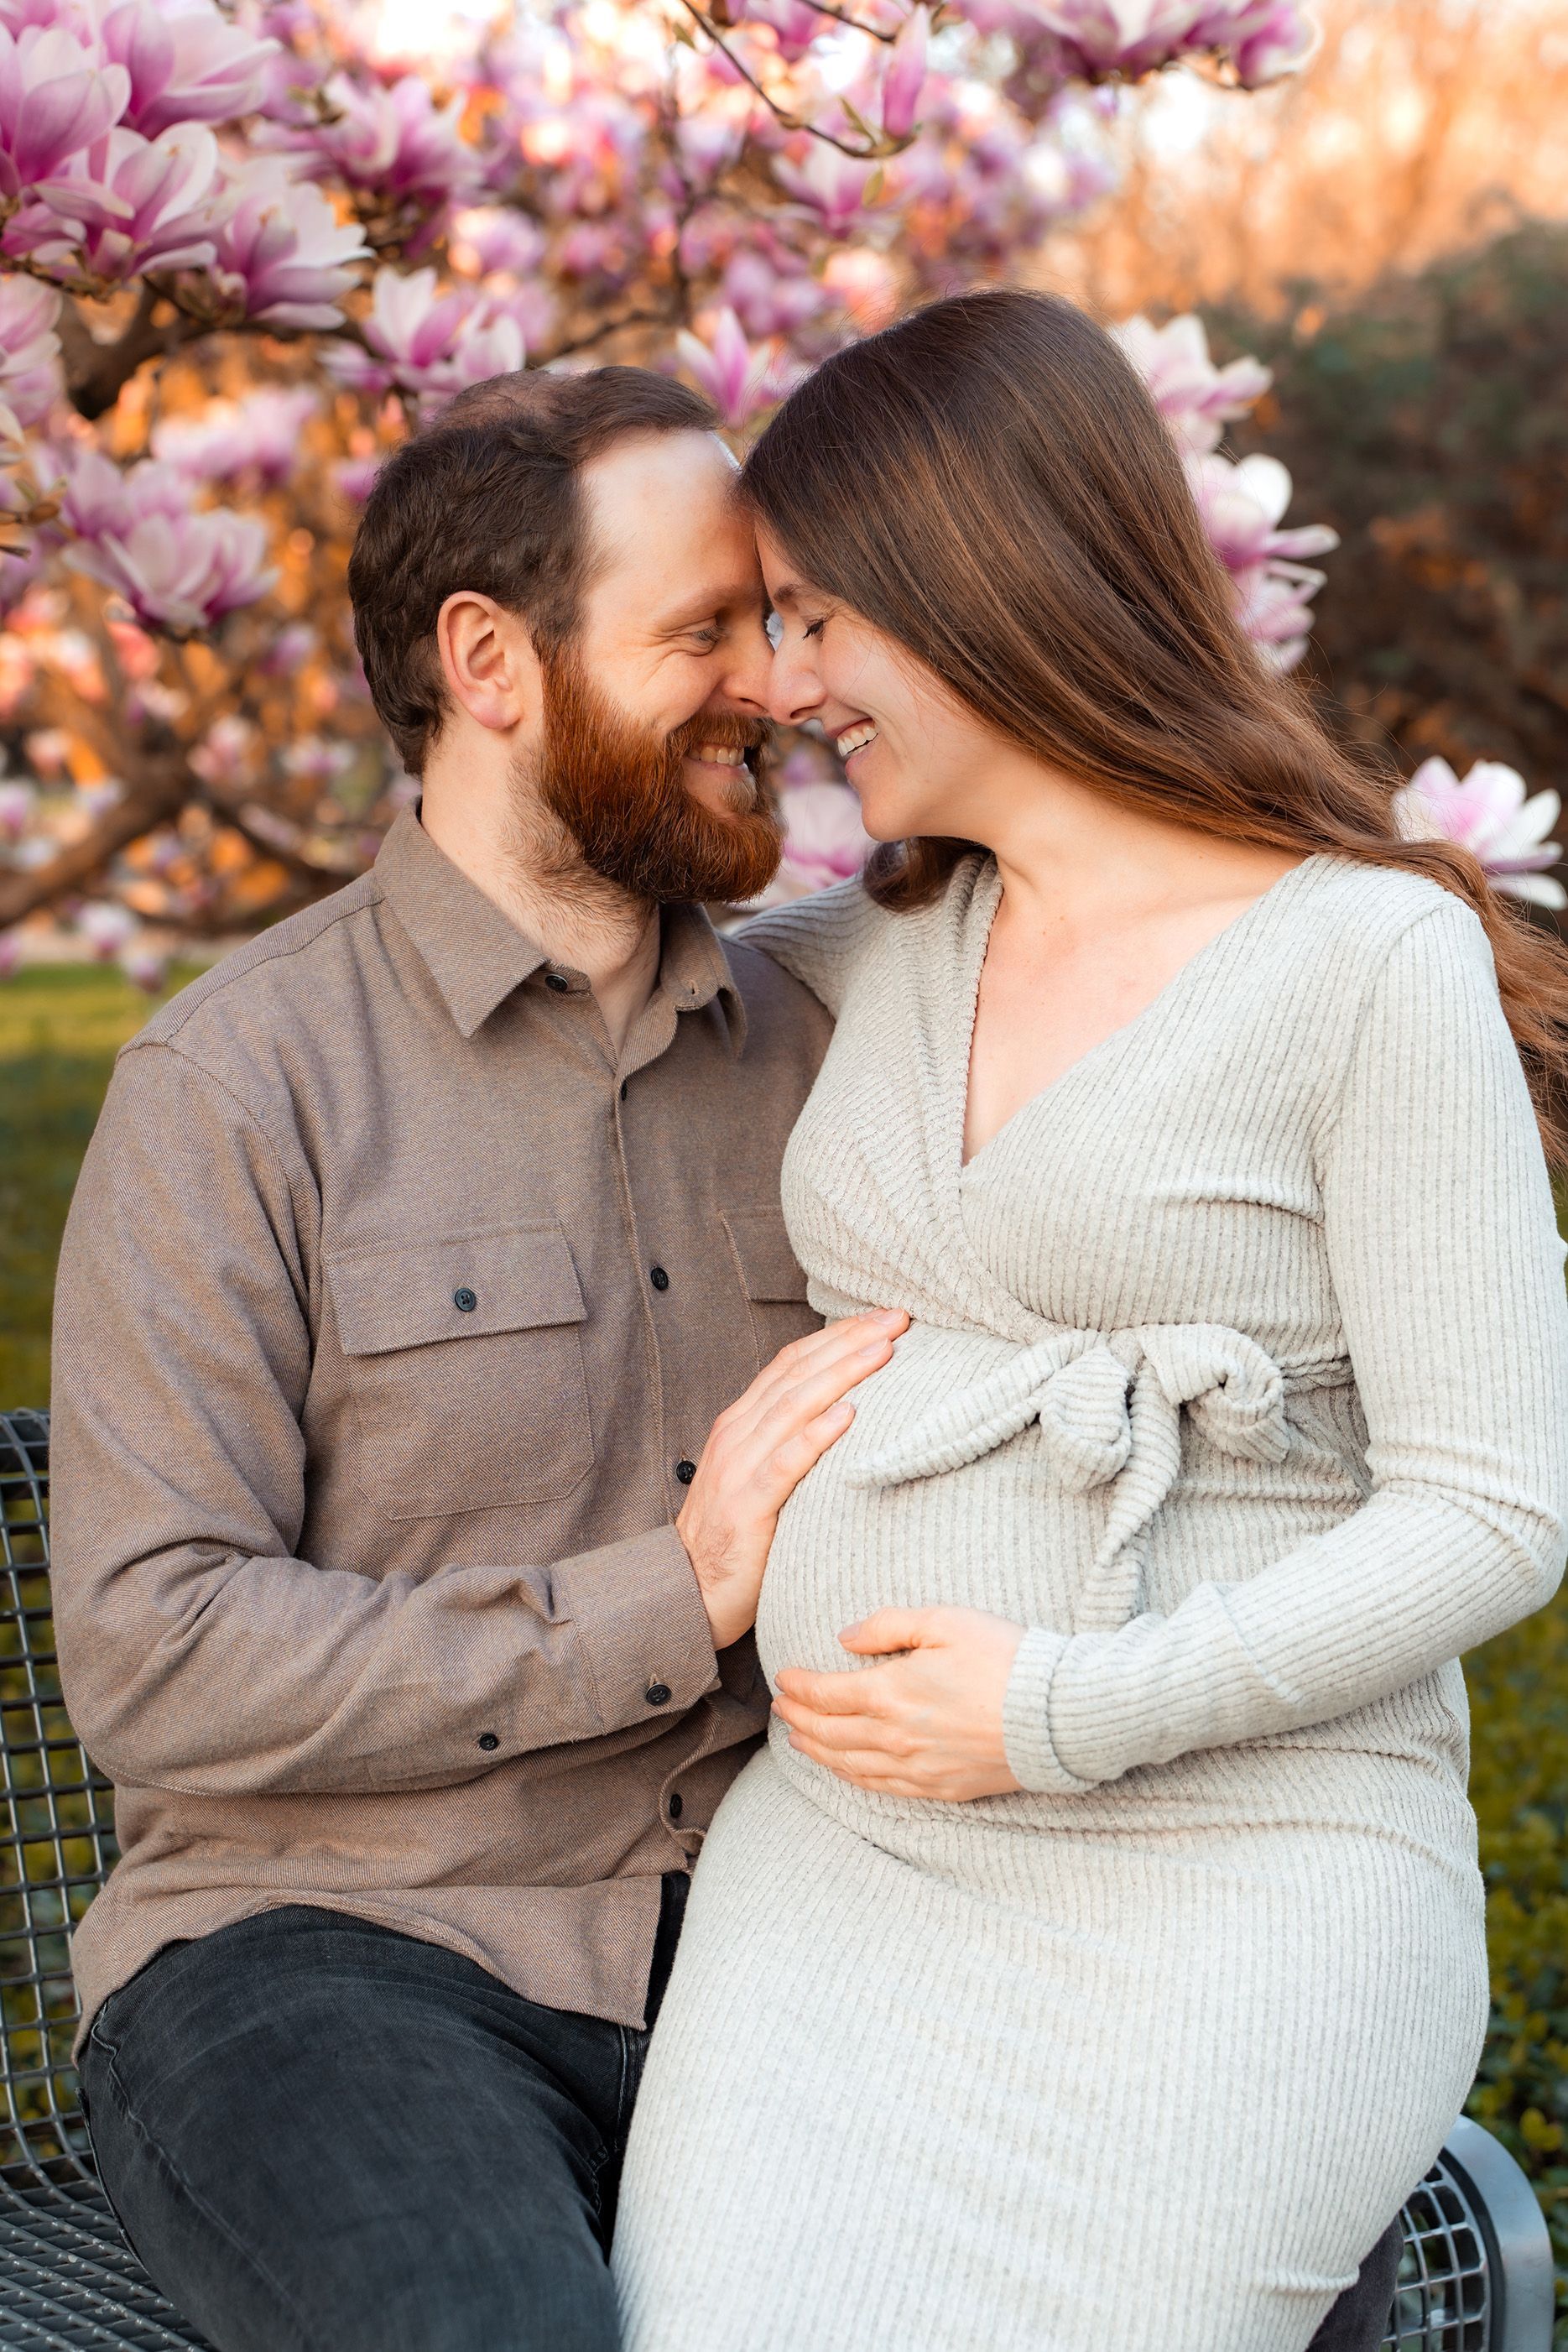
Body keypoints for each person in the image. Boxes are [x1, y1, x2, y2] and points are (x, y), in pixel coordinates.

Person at [611, 288, 1568, 2352]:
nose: (780, 686)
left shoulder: (1361, 963)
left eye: (809, 619)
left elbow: (1492, 1510)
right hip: (843, 1884)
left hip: (1234, 1870)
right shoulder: (855, 955)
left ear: (973, 575)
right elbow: (558, 953)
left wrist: (1058, 1711)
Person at [48, 364, 907, 2352]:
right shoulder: (236, 1082)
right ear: (488, 661)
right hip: (329, 1957)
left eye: (770, 629)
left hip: (792, 1933)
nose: (769, 691)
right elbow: (155, 1649)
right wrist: (664, 1599)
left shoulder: (838, 1041)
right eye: (699, 632)